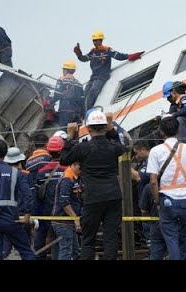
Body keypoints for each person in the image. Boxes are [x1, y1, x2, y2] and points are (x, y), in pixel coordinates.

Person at [60, 110, 125, 260]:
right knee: (111, 238)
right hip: (114, 196)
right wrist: (112, 128)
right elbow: (121, 146)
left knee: (88, 240)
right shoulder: (113, 147)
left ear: (88, 128)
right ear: (105, 128)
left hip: (92, 197)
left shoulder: (83, 148)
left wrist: (70, 136)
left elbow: (63, 159)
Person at [149, 116, 186, 260]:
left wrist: (157, 202)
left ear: (161, 132)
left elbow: (153, 181)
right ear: (178, 130)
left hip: (167, 201)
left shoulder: (155, 151)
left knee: (171, 239)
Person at [74, 30, 143, 110]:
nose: (94, 42)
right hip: (93, 77)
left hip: (102, 76)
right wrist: (79, 54)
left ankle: (86, 112)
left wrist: (130, 56)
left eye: (96, 40)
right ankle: (81, 114)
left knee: (93, 91)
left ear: (101, 40)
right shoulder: (93, 52)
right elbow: (84, 59)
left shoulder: (108, 50)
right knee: (84, 94)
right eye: (93, 40)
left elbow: (119, 56)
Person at [32, 135, 67, 260]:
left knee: (41, 238)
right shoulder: (67, 170)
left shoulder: (41, 172)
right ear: (62, 150)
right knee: (64, 245)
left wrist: (35, 215)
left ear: (49, 151)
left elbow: (36, 196)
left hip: (46, 213)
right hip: (64, 214)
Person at [2, 147, 36, 259]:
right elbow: (30, 196)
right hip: (22, 217)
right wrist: (29, 215)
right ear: (20, 161)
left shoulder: (2, 176)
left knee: (4, 251)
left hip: (6, 217)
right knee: (25, 250)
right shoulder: (26, 175)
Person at [51, 159, 83, 260]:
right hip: (62, 222)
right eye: (80, 167)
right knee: (66, 251)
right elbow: (64, 203)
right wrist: (76, 219)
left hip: (68, 221)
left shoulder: (76, 178)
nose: (82, 169)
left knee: (74, 250)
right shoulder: (67, 179)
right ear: (74, 164)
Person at [49, 60, 85, 127]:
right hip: (77, 113)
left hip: (66, 111)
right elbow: (82, 100)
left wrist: (49, 102)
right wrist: (82, 114)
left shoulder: (62, 80)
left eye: (63, 69)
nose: (63, 71)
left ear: (66, 70)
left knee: (64, 132)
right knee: (74, 134)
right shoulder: (79, 84)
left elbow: (57, 94)